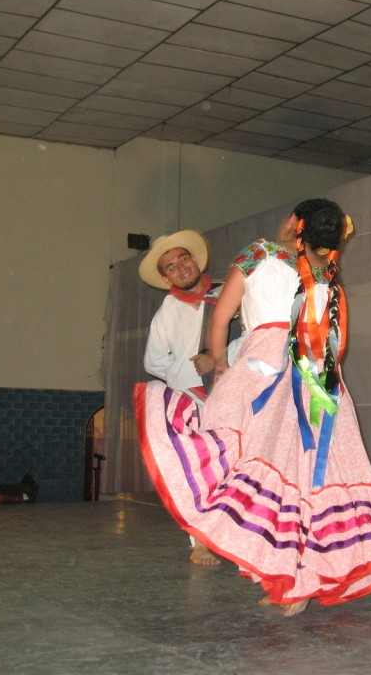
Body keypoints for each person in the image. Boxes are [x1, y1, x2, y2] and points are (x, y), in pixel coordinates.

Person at [137, 199, 371, 616]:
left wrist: (220, 364)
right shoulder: (330, 277)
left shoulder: (259, 253)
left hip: (265, 364)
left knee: (225, 443)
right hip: (320, 378)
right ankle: (299, 579)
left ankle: (274, 570)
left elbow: (221, 320)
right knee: (309, 477)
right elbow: (339, 345)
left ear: (293, 223)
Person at [140, 229, 228, 566]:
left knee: (239, 467)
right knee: (200, 471)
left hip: (233, 391)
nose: (180, 267)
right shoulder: (168, 310)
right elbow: (153, 361)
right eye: (171, 267)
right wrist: (187, 373)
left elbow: (251, 336)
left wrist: (219, 359)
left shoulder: (227, 294)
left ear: (194, 259)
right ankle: (201, 541)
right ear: (166, 278)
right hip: (192, 397)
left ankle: (245, 538)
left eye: (183, 258)